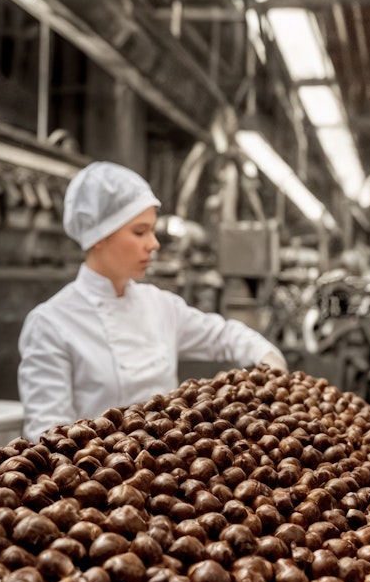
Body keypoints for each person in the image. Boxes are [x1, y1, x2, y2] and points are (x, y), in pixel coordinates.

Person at [18, 161, 286, 440]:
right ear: (98, 236)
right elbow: (47, 437)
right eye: (140, 232)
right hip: (93, 477)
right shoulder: (50, 323)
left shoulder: (160, 305)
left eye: (153, 231)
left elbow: (224, 335)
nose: (154, 243)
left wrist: (269, 360)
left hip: (169, 468)